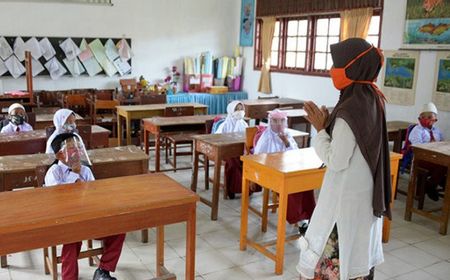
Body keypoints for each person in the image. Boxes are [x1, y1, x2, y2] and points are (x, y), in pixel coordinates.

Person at [297, 38, 391, 280]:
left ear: (352, 69)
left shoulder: (349, 109)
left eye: (337, 65)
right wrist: (330, 128)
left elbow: (337, 160)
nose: (332, 71)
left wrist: (320, 130)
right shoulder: (372, 98)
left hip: (346, 203)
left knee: (339, 263)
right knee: (358, 256)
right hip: (363, 197)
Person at [45, 133, 125, 280]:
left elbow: (95, 196)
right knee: (72, 240)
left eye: (77, 147)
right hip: (67, 222)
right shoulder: (54, 173)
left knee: (119, 229)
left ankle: (103, 270)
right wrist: (75, 177)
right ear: (60, 155)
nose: (77, 151)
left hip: (89, 218)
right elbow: (58, 200)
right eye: (71, 148)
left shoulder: (86, 170)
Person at [253, 109, 315, 234]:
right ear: (270, 122)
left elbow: (295, 152)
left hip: (288, 168)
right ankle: (299, 218)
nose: (279, 124)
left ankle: (308, 215)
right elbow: (258, 157)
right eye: (275, 121)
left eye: (281, 121)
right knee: (291, 186)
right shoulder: (266, 137)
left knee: (306, 183)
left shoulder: (287, 135)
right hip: (272, 172)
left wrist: (286, 142)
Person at [408, 102, 446, 201]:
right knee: (441, 166)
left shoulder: (437, 131)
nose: (431, 121)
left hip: (434, 157)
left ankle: (432, 184)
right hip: (421, 158)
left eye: (433, 119)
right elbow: (416, 148)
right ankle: (430, 185)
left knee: (445, 164)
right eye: (428, 118)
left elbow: (442, 142)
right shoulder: (417, 130)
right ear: (422, 117)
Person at [213, 101, 248, 198]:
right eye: (237, 109)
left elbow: (248, 139)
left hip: (241, 151)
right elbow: (217, 140)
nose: (240, 111)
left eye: (241, 109)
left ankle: (247, 188)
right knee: (233, 164)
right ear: (231, 110)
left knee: (249, 163)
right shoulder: (224, 125)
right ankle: (231, 189)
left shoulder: (244, 124)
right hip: (227, 152)